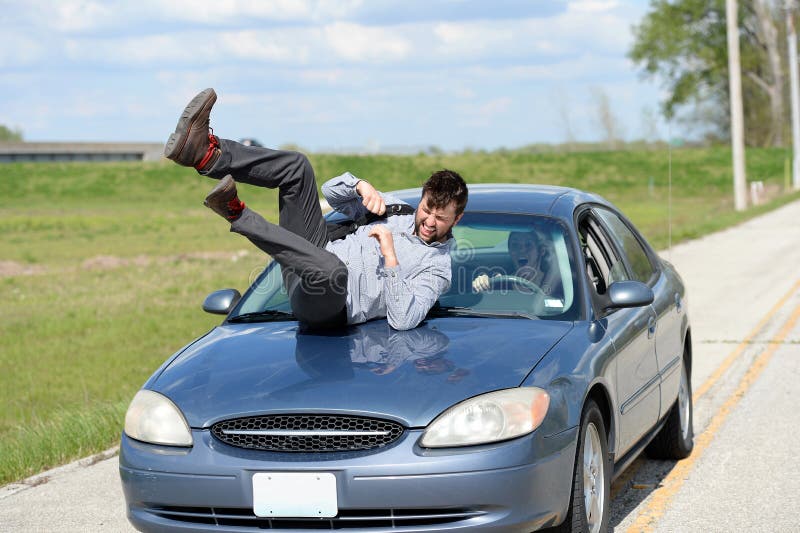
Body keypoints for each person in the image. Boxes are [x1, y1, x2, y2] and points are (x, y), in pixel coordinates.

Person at [164, 88, 468, 331]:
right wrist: (360, 185)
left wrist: (390, 258)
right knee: (297, 167)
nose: (429, 221)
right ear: (423, 199)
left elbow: (403, 319)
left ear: (457, 218)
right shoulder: (398, 210)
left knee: (332, 271)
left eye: (441, 219)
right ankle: (205, 155)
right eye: (427, 210)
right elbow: (330, 194)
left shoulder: (437, 268)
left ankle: (236, 212)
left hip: (327, 303)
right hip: (308, 254)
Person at [472, 229, 560, 296]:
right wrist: (482, 284)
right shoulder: (500, 284)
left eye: (528, 245)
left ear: (541, 251)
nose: (521, 250)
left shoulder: (556, 283)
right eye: (515, 245)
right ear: (510, 250)